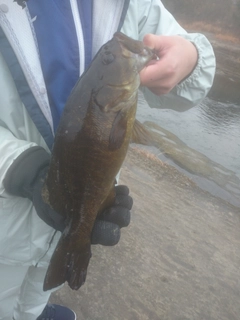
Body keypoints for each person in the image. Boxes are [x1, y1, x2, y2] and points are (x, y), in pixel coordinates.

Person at [0, 0, 216, 319]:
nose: (116, 46)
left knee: (41, 287)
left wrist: (191, 58)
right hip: (8, 215)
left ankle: (32, 313)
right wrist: (23, 169)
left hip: (71, 202)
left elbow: (188, 64)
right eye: (109, 57)